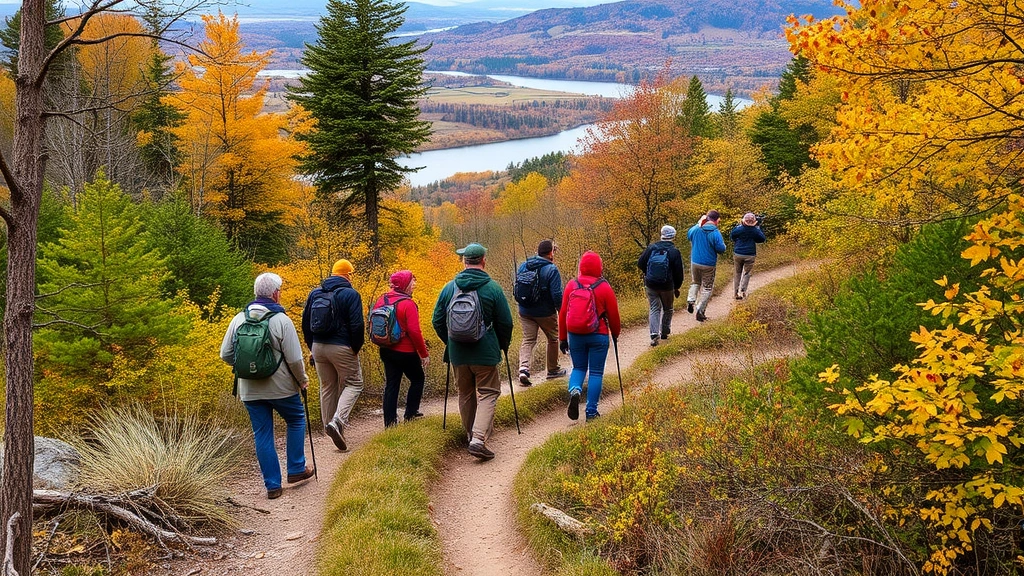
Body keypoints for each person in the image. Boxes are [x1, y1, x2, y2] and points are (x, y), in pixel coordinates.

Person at [220, 272, 314, 499]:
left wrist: (247, 367)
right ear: (275, 294)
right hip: (281, 387)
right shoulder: (281, 320)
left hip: (249, 389)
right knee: (296, 419)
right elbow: (294, 359)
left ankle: (272, 485)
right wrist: (302, 380)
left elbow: (225, 354)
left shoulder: (238, 319)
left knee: (262, 433)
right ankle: (296, 469)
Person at [432, 243, 514, 461]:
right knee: (488, 392)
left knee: (465, 393)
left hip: (458, 353)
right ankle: (479, 438)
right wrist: (502, 344)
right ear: (483, 261)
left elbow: (437, 320)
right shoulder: (493, 288)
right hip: (485, 352)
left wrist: (450, 341)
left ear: (464, 261)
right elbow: (506, 322)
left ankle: (471, 436)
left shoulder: (449, 288)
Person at [301, 259, 364, 452]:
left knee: (327, 386)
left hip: (318, 347)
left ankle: (330, 427)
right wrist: (355, 347)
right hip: (342, 346)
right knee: (355, 383)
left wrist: (312, 347)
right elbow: (357, 325)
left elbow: (305, 323)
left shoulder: (315, 292)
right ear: (347, 275)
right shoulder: (351, 294)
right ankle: (337, 421)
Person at [558, 251, 621, 422]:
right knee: (595, 373)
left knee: (578, 368)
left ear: (581, 267)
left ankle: (575, 390)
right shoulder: (604, 287)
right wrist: (615, 333)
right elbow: (614, 315)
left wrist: (562, 338)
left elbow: (563, 313)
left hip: (575, 335)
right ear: (599, 267)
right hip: (598, 335)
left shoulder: (572, 285)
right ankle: (591, 412)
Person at [370, 270, 430, 428]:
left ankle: (389, 423)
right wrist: (423, 354)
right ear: (405, 284)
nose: (414, 285)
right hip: (406, 352)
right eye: (412, 282)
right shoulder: (408, 304)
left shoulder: (381, 300)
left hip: (386, 349)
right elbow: (415, 332)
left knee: (391, 384)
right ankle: (410, 415)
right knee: (417, 379)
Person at [514, 239, 565, 386]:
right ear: (550, 253)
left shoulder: (524, 265)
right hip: (545, 313)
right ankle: (553, 370)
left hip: (524, 311)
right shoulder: (552, 269)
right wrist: (560, 310)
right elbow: (556, 294)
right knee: (553, 338)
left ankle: (523, 368)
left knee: (528, 339)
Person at [636, 225, 685, 346]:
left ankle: (654, 334)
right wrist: (677, 286)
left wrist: (648, 274)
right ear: (673, 236)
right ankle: (665, 331)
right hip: (667, 285)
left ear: (661, 235)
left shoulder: (652, 248)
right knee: (668, 308)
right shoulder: (674, 251)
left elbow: (640, 263)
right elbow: (678, 272)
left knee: (654, 308)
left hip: (651, 283)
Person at [686, 210, 727, 322]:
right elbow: (721, 249)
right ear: (716, 220)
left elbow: (688, 236)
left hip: (695, 262)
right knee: (707, 287)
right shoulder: (715, 232)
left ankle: (691, 299)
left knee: (695, 282)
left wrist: (697, 223)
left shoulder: (696, 229)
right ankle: (700, 310)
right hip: (708, 264)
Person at [730, 212, 767, 300]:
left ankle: (735, 292)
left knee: (737, 273)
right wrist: (758, 228)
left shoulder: (739, 229)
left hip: (738, 253)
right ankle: (743, 291)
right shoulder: (755, 230)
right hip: (750, 254)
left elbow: (732, 236)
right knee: (747, 273)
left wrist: (737, 240)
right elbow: (762, 239)